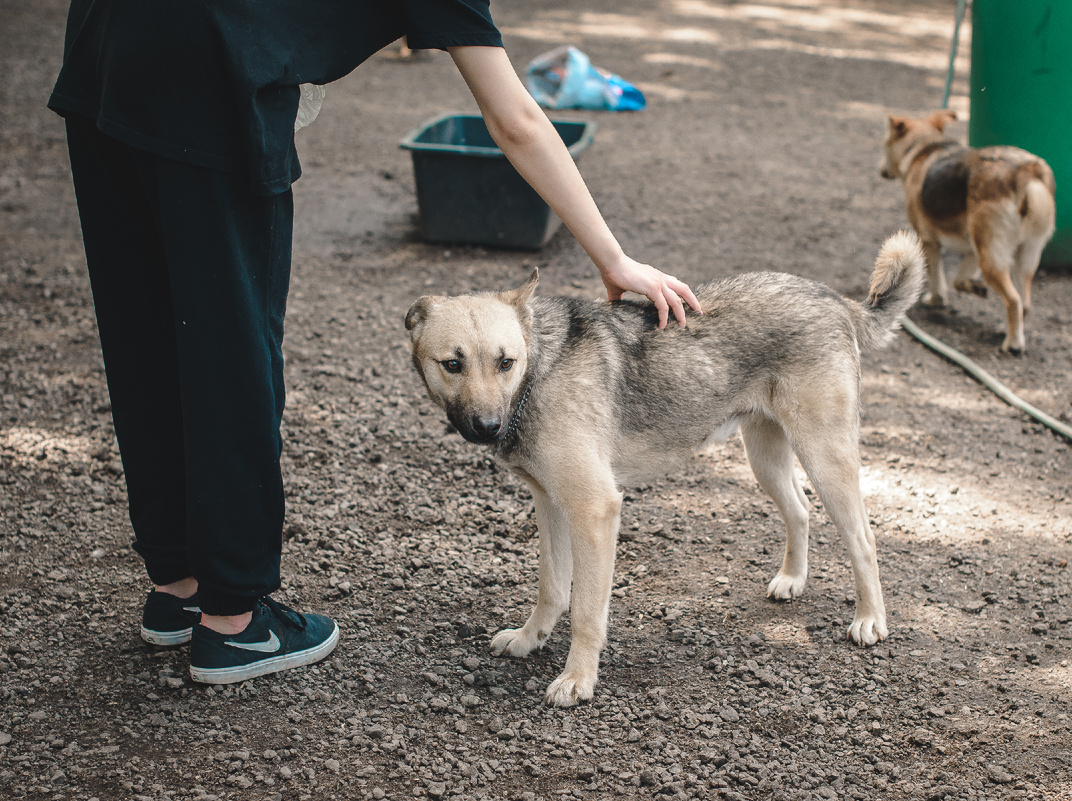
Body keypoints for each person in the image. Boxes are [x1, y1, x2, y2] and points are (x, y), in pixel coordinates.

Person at [49, 0, 701, 685]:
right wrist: (612, 258)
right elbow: (516, 119)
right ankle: (234, 624)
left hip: (102, 48)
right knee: (228, 353)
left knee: (145, 341)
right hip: (208, 76)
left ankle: (177, 588)